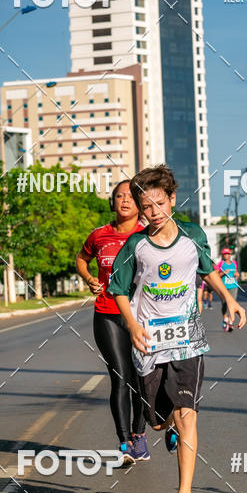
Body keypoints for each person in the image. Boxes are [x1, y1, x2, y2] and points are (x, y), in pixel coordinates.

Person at [108, 164, 247, 493]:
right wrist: (132, 324)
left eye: (159, 203)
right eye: (146, 207)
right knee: (156, 422)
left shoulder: (192, 235)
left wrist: (229, 299)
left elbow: (207, 269)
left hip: (188, 339)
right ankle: (165, 423)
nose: (153, 212)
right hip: (149, 340)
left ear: (172, 198)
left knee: (188, 417)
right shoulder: (136, 245)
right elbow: (119, 289)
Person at [76, 181, 149, 465]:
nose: (125, 200)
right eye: (119, 196)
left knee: (142, 378)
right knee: (120, 376)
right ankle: (124, 442)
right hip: (106, 313)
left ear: (139, 204)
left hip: (142, 316)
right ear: (112, 202)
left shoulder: (147, 235)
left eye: (130, 196)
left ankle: (139, 434)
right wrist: (89, 278)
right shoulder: (99, 235)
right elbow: (81, 259)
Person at [216, 247, 240, 331]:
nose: (226, 255)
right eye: (225, 254)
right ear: (223, 255)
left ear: (230, 255)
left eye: (228, 254)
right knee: (224, 304)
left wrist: (237, 274)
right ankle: (225, 318)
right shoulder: (221, 264)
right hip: (224, 287)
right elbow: (216, 276)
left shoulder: (234, 263)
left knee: (232, 303)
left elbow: (236, 273)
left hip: (233, 286)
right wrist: (223, 272)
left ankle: (230, 321)